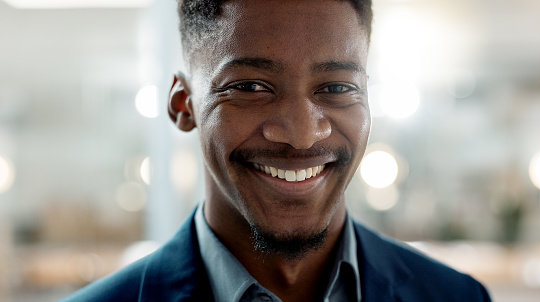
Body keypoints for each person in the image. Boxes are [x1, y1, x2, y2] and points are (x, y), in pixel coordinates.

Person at [61, 0, 492, 301]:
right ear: (184, 104)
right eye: (251, 87)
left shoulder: (458, 297)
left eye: (337, 87)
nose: (303, 135)